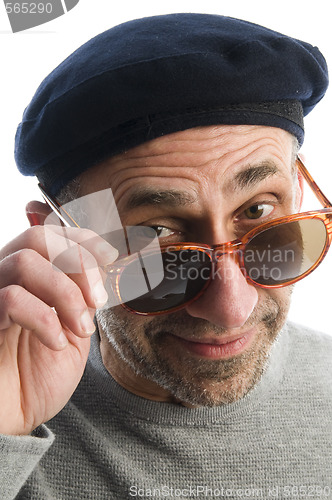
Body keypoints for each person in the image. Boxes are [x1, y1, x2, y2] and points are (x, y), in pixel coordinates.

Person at [1, 13, 332, 499]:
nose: (230, 309)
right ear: (55, 234)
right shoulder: (13, 410)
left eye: (259, 211)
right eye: (156, 235)